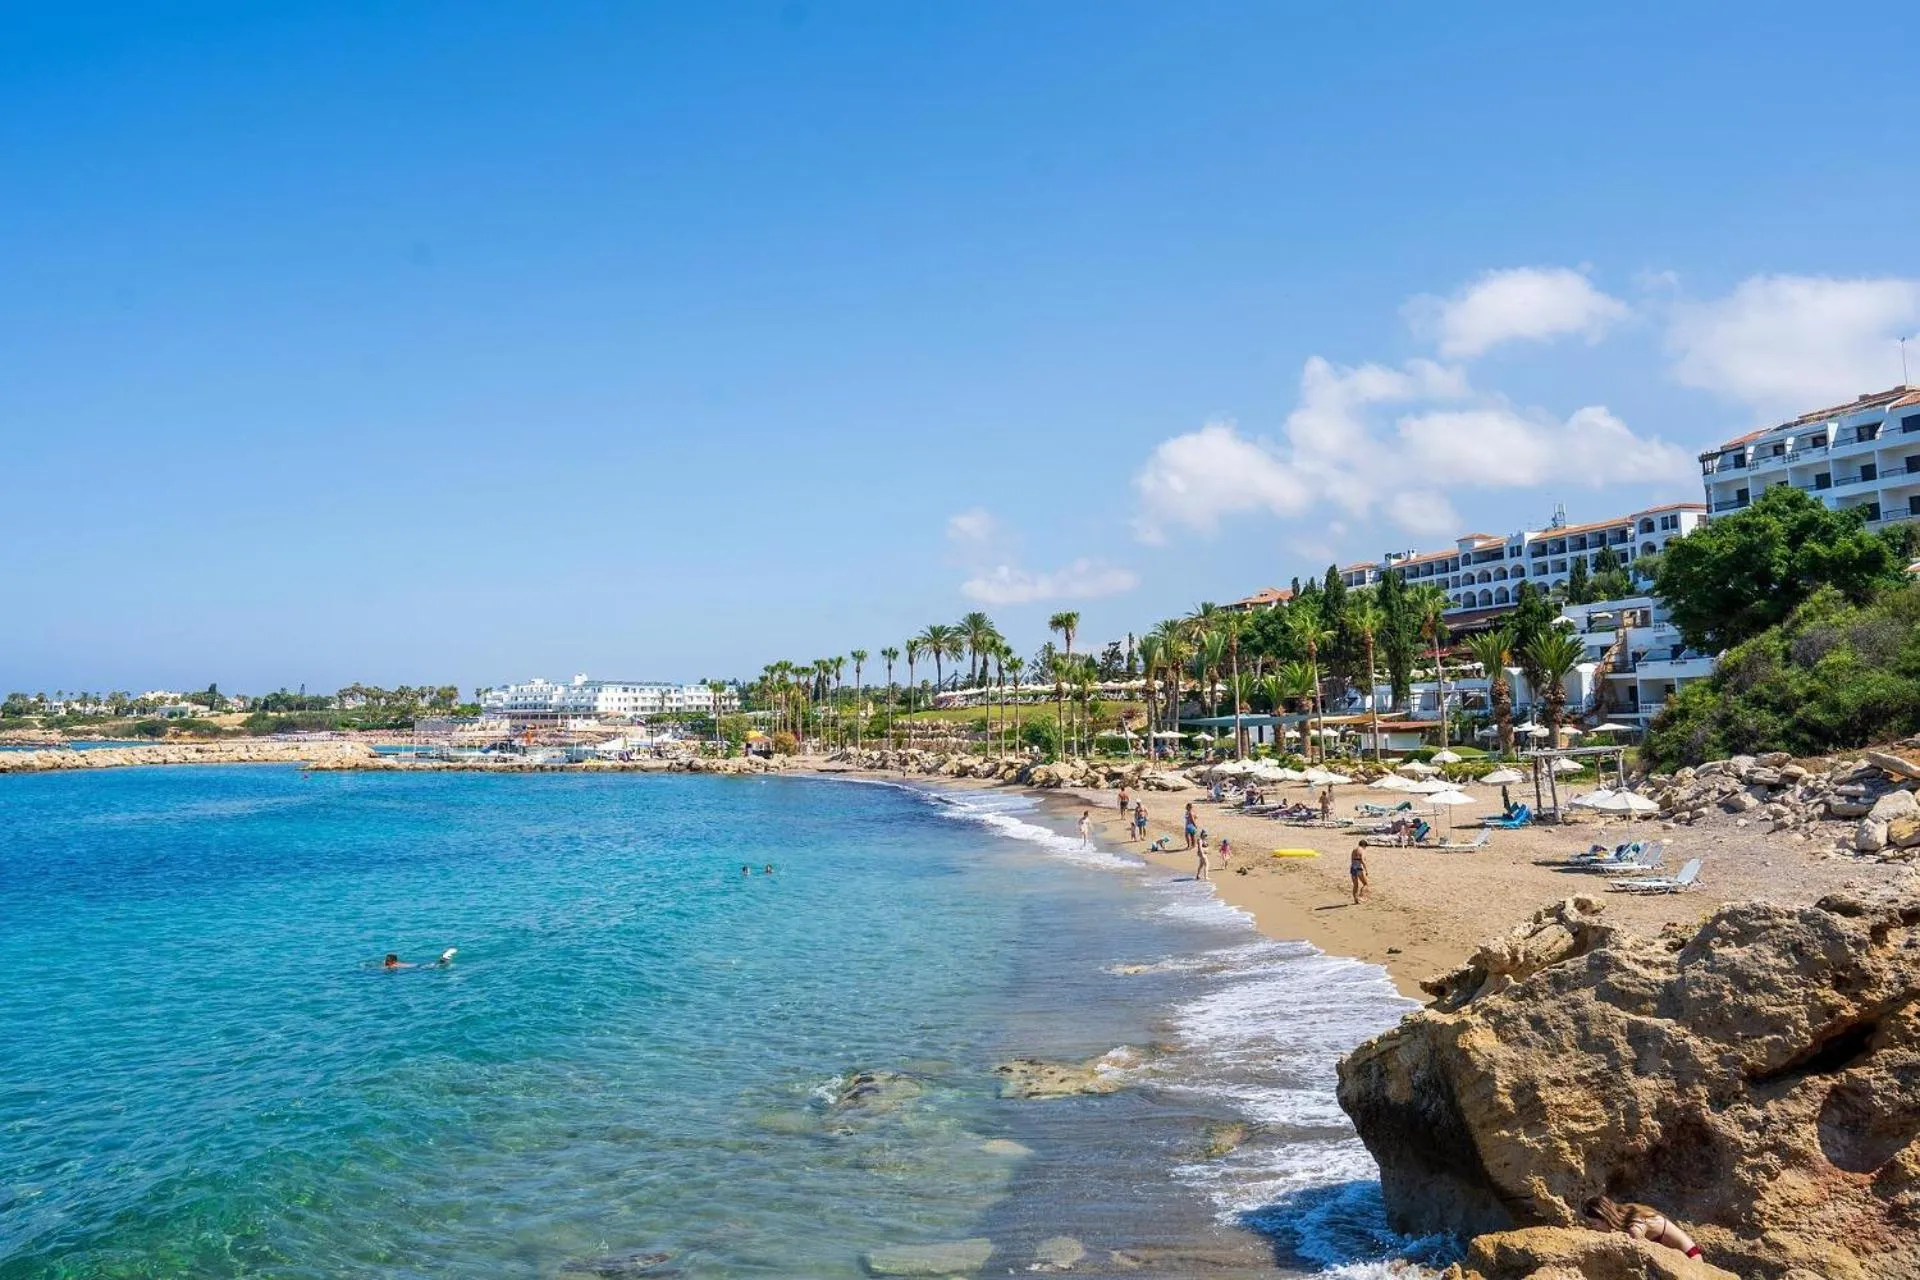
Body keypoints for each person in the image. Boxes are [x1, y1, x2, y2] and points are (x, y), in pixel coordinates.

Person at [1583, 1196, 1703, 1262]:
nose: (1592, 1228)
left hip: (1691, 1258)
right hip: (1680, 1260)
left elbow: (1640, 1257)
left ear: (1605, 1218)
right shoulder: (1625, 1214)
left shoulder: (1635, 1226)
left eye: (1594, 1224)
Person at [384, 949, 456, 970]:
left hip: (417, 967)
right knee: (436, 965)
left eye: (387, 960)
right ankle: (444, 958)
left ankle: (444, 958)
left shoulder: (393, 966)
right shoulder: (395, 963)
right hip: (416, 965)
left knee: (437, 965)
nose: (386, 961)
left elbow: (388, 968)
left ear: (392, 961)